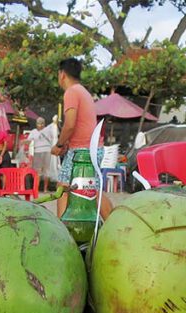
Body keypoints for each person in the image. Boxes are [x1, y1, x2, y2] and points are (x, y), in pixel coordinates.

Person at [51, 57, 113, 223]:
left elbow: (70, 124)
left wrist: (59, 144)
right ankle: (114, 224)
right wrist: (67, 145)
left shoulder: (71, 92)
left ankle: (61, 230)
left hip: (82, 151)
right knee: (92, 189)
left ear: (62, 74)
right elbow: (81, 125)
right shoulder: (84, 92)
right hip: (90, 148)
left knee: (63, 187)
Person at [28, 117, 55, 190]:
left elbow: (53, 138)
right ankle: (36, 188)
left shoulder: (48, 130)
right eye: (39, 123)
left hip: (47, 151)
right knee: (38, 170)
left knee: (46, 170)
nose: (40, 125)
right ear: (36, 124)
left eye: (42, 123)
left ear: (44, 124)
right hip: (37, 151)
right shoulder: (33, 131)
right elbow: (29, 140)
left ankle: (45, 188)